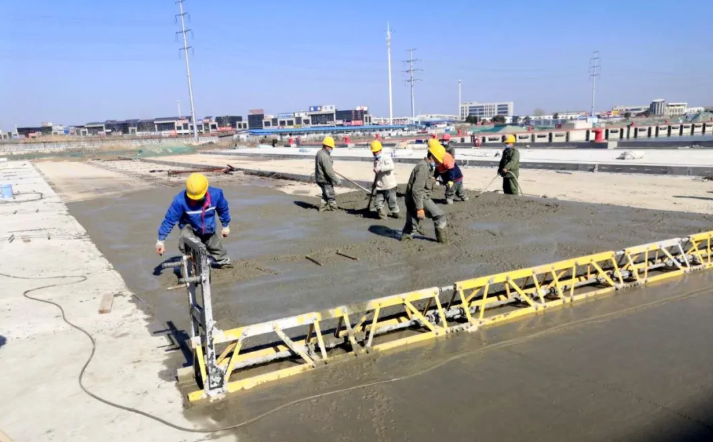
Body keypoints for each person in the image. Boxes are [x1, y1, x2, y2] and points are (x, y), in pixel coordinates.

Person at [155, 173, 232, 267]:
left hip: (208, 229)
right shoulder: (180, 200)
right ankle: (193, 261)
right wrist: (160, 241)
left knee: (216, 248)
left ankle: (224, 262)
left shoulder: (216, 195)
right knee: (192, 245)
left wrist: (225, 226)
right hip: (189, 230)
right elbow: (169, 220)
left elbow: (223, 209)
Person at [401, 143, 448, 244]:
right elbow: (417, 190)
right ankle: (443, 241)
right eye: (437, 161)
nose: (438, 163)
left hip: (413, 198)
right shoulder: (423, 167)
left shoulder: (427, 166)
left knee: (412, 224)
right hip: (418, 197)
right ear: (432, 157)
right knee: (440, 216)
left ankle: (405, 239)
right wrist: (420, 208)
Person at [429, 139, 468, 205]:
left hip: (455, 178)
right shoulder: (437, 156)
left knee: (449, 192)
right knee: (459, 191)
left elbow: (451, 170)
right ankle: (465, 198)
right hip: (456, 178)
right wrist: (435, 176)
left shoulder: (446, 157)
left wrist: (450, 180)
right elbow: (438, 169)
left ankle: (449, 201)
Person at [370, 140, 400, 219]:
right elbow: (377, 174)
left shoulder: (386, 158)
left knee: (392, 203)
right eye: (373, 152)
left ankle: (396, 214)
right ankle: (383, 216)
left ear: (380, 150)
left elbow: (391, 167)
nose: (374, 154)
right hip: (380, 186)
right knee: (378, 203)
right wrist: (375, 183)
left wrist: (380, 169)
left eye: (376, 152)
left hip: (389, 186)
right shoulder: (375, 161)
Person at [315, 136, 341, 212]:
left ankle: (322, 209)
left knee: (325, 195)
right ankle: (335, 211)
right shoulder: (325, 156)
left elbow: (325, 167)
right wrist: (337, 180)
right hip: (325, 180)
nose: (331, 149)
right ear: (326, 146)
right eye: (331, 147)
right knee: (331, 195)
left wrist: (329, 167)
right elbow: (329, 172)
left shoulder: (319, 152)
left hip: (320, 178)